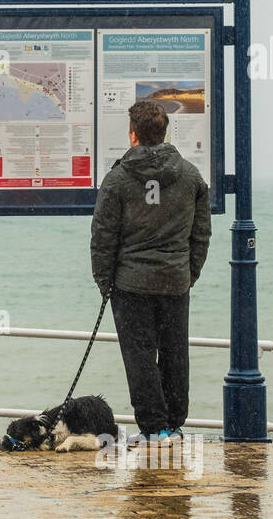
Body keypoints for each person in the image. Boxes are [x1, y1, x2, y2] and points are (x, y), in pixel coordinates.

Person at [90, 100, 211, 448]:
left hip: (130, 285)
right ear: (165, 132)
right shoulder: (190, 176)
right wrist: (189, 273)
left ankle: (153, 429)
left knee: (139, 356)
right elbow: (201, 233)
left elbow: (103, 238)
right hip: (174, 281)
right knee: (175, 353)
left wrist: (105, 282)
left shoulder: (116, 180)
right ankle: (173, 426)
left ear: (133, 135)